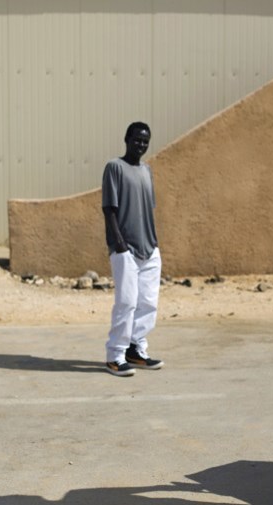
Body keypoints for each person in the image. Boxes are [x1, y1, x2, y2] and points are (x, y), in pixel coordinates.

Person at [101, 122, 165, 377]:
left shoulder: (147, 171)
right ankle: (115, 355)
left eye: (145, 140)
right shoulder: (115, 168)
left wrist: (154, 244)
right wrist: (119, 244)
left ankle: (136, 350)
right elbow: (109, 208)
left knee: (147, 302)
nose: (141, 144)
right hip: (124, 248)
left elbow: (147, 209)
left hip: (149, 248)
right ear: (126, 139)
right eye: (137, 139)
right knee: (126, 302)